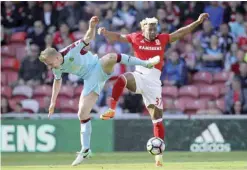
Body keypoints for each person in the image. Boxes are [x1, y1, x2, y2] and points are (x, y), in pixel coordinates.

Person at [38, 16, 160, 166]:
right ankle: (86, 150)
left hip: (97, 66)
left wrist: (91, 26)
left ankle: (146, 63)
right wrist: (52, 103)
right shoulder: (57, 67)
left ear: (57, 57)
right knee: (82, 114)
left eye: (50, 64)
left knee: (110, 57)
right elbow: (57, 82)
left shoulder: (71, 50)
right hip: (90, 81)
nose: (51, 67)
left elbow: (87, 37)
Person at [98, 13, 209, 167]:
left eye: (154, 29)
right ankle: (111, 109)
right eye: (149, 29)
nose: (152, 32)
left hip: (154, 83)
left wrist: (197, 22)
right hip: (139, 76)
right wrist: (106, 33)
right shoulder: (135, 37)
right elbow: (118, 37)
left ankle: (159, 158)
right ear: (143, 29)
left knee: (157, 119)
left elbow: (180, 33)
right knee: (122, 78)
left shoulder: (162, 39)